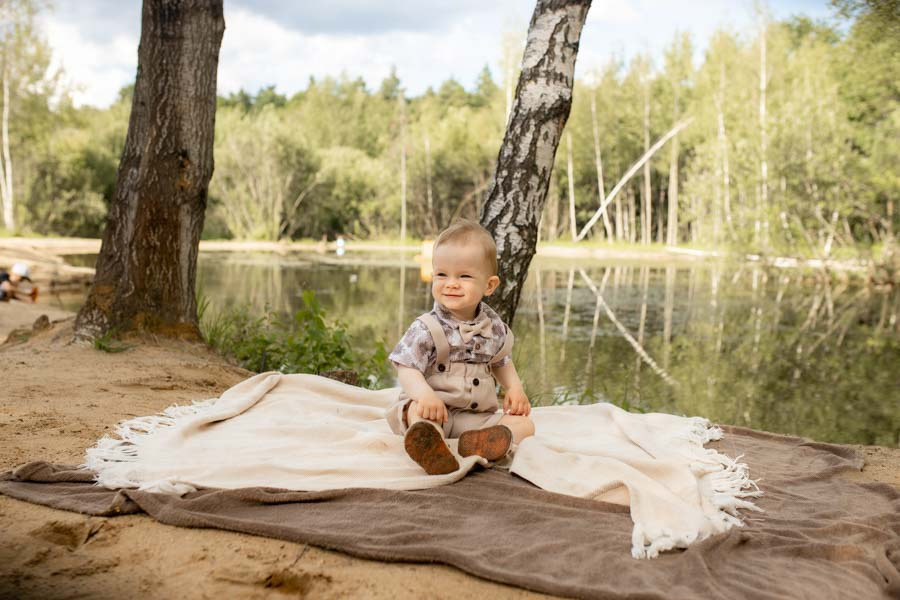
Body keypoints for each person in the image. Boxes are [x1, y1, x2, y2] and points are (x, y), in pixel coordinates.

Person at [386, 220, 535, 475]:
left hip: (474, 419)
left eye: (464, 276)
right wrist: (424, 396)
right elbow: (406, 368)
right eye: (442, 275)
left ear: (489, 286)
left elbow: (501, 361)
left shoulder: (493, 326)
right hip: (432, 410)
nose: (451, 283)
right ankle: (429, 445)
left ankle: (483, 443)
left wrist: (514, 387)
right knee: (418, 418)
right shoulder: (427, 327)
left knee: (525, 426)